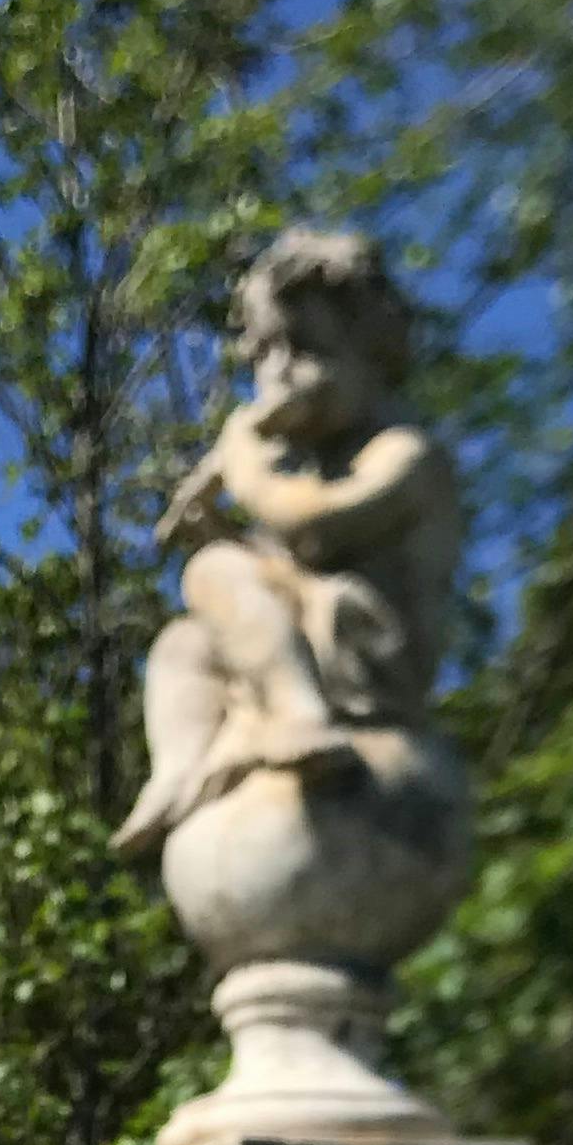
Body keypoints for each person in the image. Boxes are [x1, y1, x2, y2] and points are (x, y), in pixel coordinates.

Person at [111, 228, 462, 864]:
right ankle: (178, 772)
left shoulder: (407, 455)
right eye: (263, 352)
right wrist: (213, 529)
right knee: (182, 644)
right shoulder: (302, 468)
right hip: (309, 640)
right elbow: (277, 568)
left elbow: (315, 529)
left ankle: (299, 713)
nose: (277, 372)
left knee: (213, 572)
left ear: (372, 350)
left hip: (365, 657)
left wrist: (241, 463)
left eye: (304, 347)